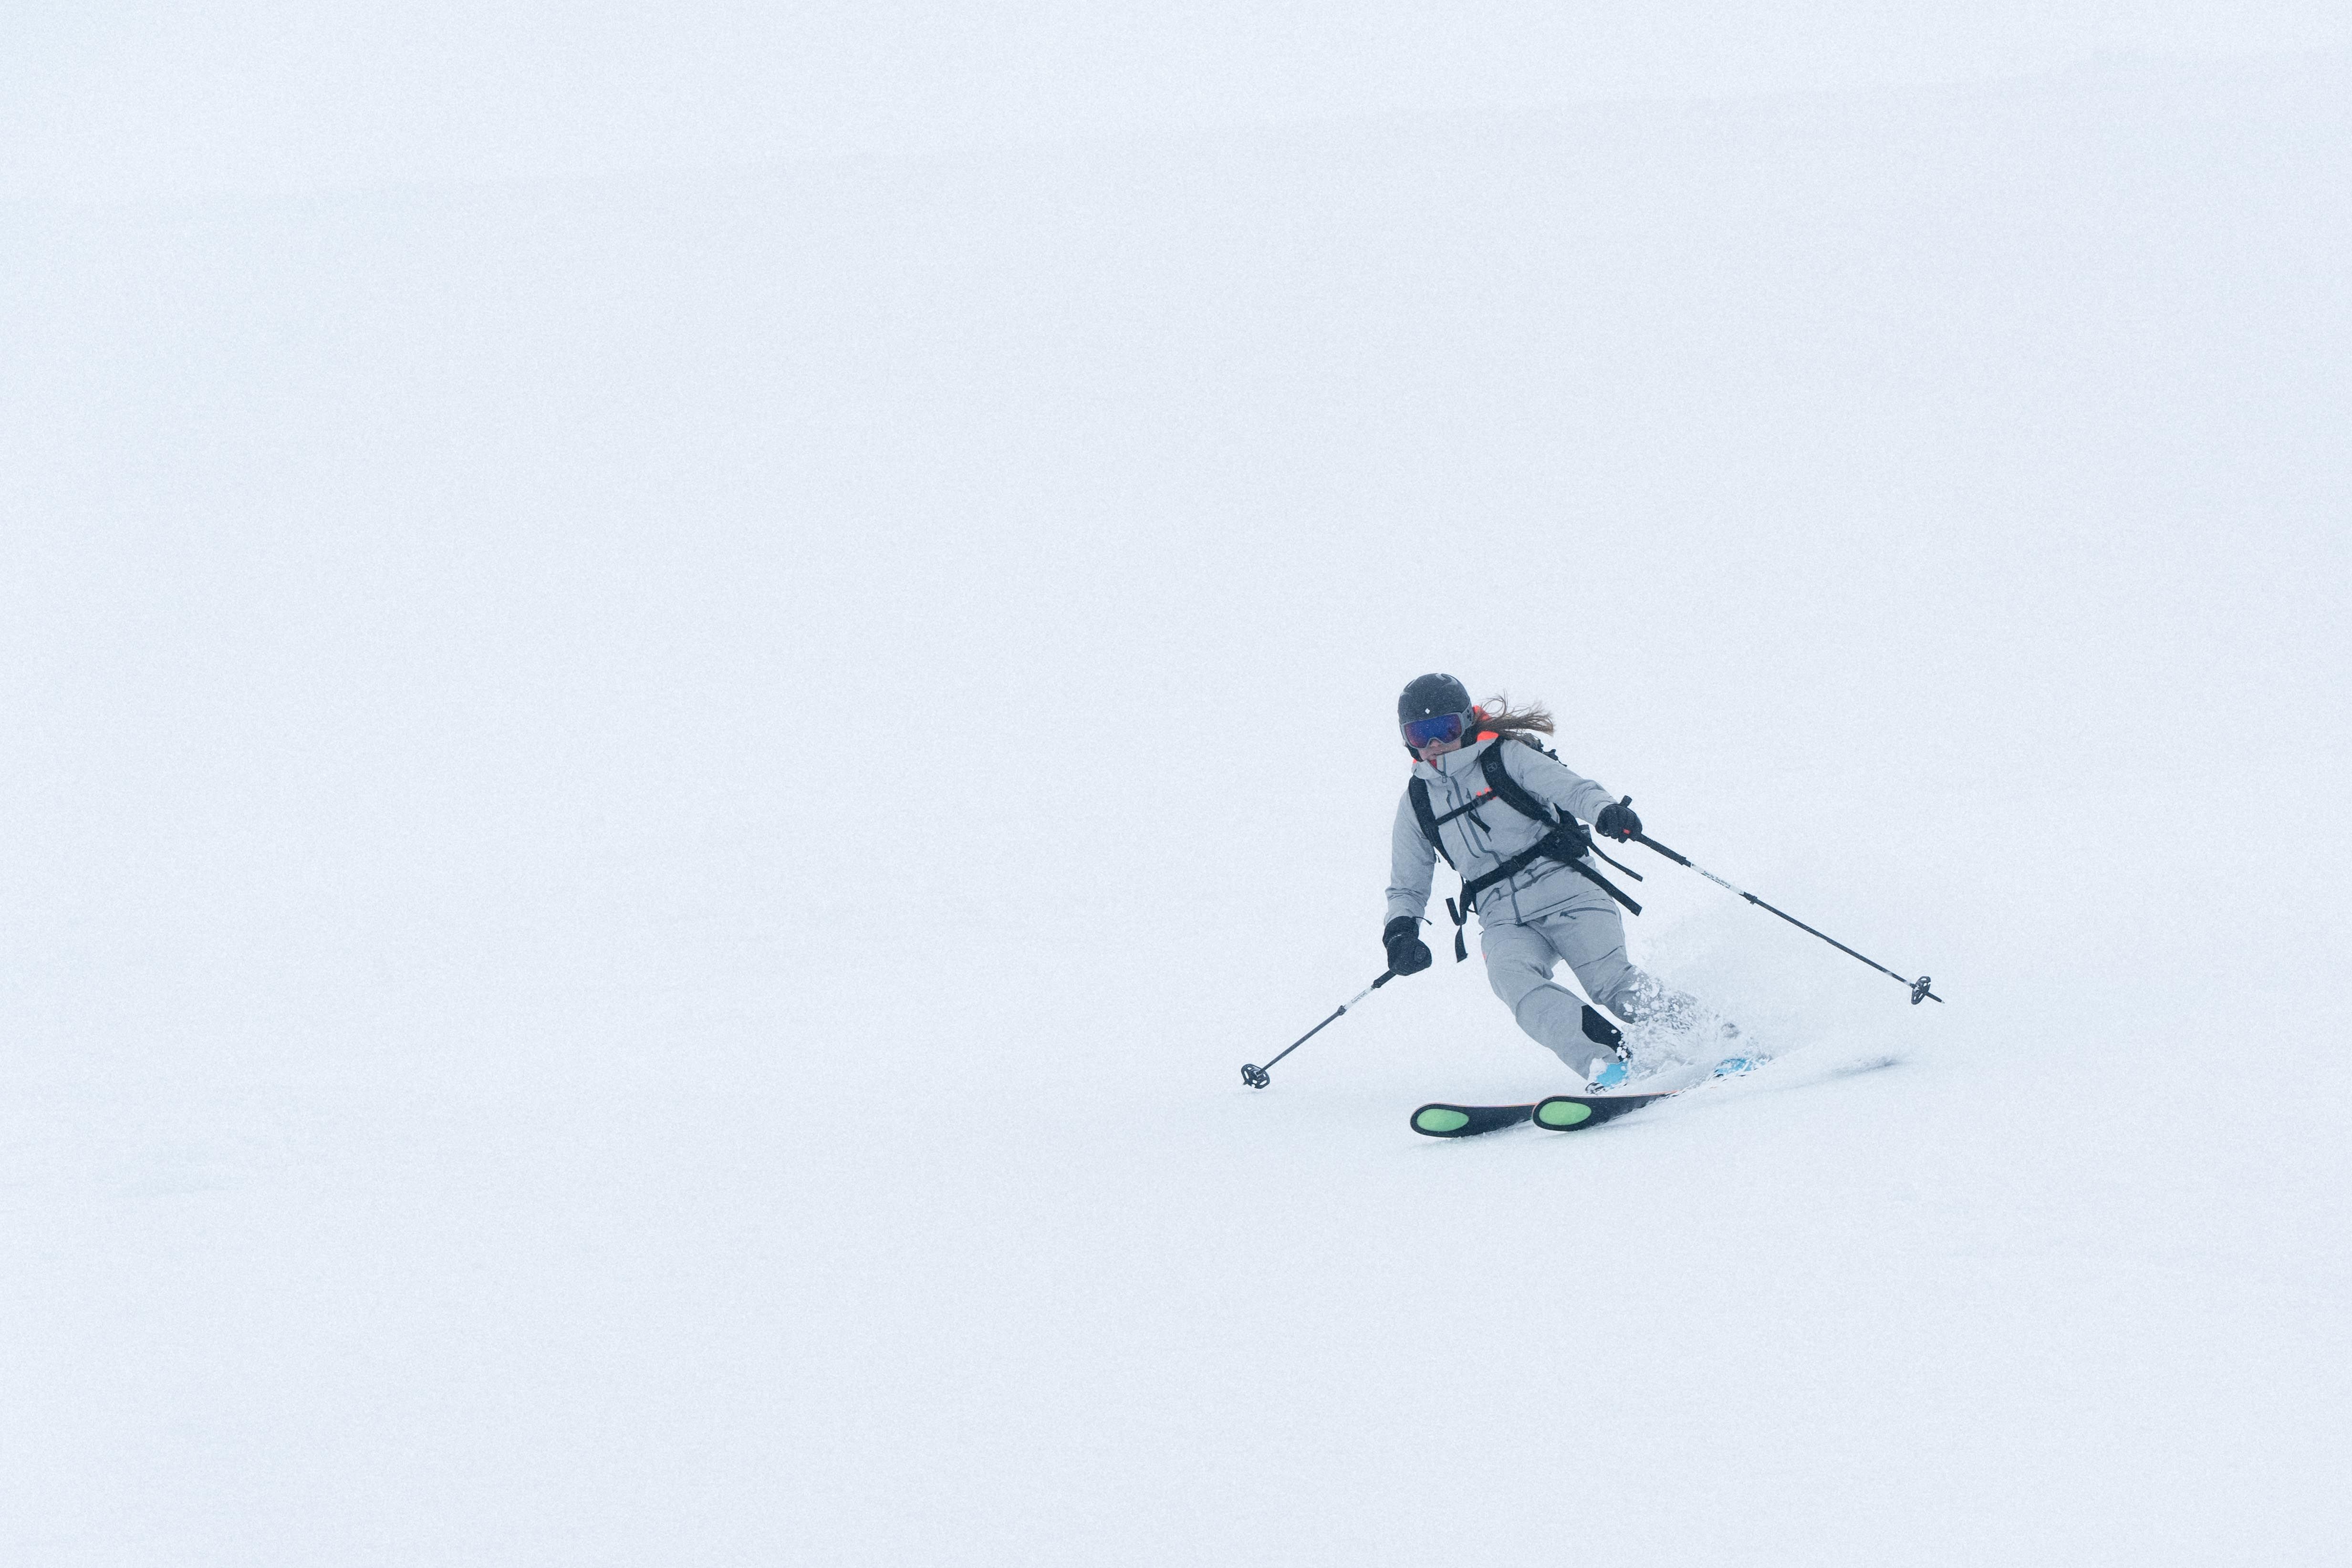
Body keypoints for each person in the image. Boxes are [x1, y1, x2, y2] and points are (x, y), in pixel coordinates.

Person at [1384, 673, 1739, 1088]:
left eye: (1442, 729)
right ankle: (1609, 1061)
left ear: (1464, 723)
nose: (1433, 744)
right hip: (1502, 916)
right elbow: (1408, 883)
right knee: (1513, 981)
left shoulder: (1505, 757)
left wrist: (1607, 812)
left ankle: (1726, 1038)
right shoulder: (1418, 801)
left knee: (1612, 984)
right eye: (1418, 733)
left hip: (1568, 889)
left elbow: (1573, 790)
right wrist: (1401, 931)